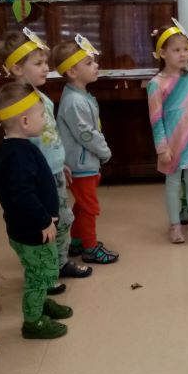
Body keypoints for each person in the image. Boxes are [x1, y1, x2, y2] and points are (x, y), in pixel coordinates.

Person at [0, 28, 91, 285]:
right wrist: (47, 172)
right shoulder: (17, 103)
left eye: (45, 62)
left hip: (54, 170)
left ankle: (58, 262)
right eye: (38, 64)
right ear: (17, 68)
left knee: (62, 218)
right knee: (51, 220)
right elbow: (22, 149)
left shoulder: (39, 96)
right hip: (40, 176)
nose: (46, 68)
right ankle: (50, 267)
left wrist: (61, 163)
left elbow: (51, 134)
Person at [0, 82, 72, 339]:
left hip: (26, 228)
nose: (45, 119)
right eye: (41, 114)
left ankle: (42, 303)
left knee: (38, 270)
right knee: (41, 274)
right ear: (25, 122)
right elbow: (22, 195)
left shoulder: (13, 148)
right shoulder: (19, 155)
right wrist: (44, 220)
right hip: (34, 231)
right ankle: (33, 321)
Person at [146, 23, 188, 243]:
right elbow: (156, 119)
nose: (183, 54)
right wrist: (162, 148)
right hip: (173, 143)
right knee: (174, 184)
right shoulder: (156, 84)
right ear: (162, 53)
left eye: (186, 49)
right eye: (176, 50)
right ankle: (175, 224)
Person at [53, 36, 119, 263]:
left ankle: (77, 240)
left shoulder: (79, 95)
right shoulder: (75, 101)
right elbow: (86, 134)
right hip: (81, 165)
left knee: (82, 205)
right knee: (90, 207)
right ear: (72, 71)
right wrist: (104, 151)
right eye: (89, 63)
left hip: (84, 163)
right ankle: (90, 248)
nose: (96, 65)